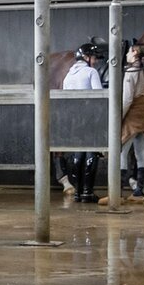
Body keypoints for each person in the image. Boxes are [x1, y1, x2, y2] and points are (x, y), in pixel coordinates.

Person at [57, 39, 105, 202]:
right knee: (92, 153)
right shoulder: (91, 73)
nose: (96, 61)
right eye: (94, 57)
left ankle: (77, 191)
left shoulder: (68, 75)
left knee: (77, 153)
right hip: (89, 118)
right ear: (86, 57)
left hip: (73, 120)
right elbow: (98, 97)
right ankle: (87, 192)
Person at [111, 40, 144, 203]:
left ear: (135, 53)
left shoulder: (132, 71)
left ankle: (117, 193)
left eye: (129, 51)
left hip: (132, 116)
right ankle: (139, 192)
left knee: (122, 151)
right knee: (140, 153)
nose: (127, 54)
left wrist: (117, 119)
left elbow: (127, 99)